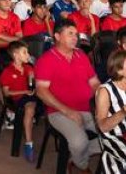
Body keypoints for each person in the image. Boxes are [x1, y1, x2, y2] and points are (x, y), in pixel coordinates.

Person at [34, 20, 101, 174]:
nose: (75, 37)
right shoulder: (47, 60)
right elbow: (41, 91)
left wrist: (102, 104)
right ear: (57, 36)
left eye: (76, 34)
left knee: (112, 135)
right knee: (79, 142)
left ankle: (75, 157)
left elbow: (95, 82)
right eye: (70, 34)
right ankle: (82, 165)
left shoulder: (81, 55)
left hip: (87, 109)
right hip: (58, 112)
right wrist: (68, 111)